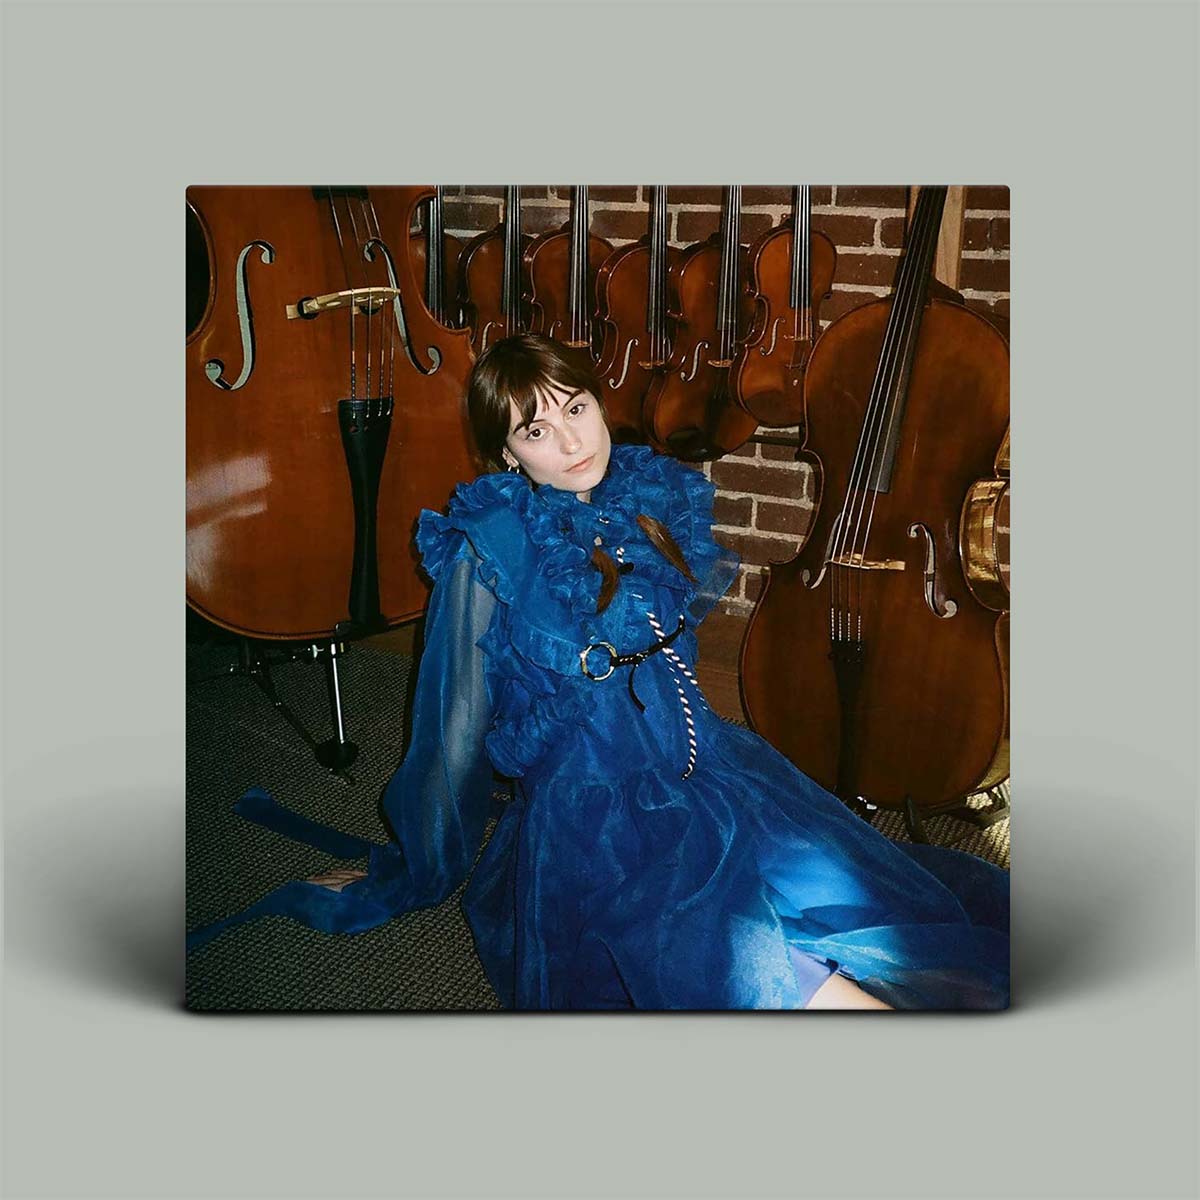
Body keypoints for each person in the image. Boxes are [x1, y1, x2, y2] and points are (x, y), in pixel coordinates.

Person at [187, 334, 1009, 1011]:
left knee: (883, 910)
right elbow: (451, 724)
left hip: (709, 767)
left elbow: (670, 656)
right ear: (506, 454)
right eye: (536, 431)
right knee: (747, 967)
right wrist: (421, 858)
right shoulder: (492, 549)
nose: (573, 442)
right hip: (598, 820)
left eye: (575, 409)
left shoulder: (647, 497)